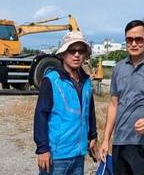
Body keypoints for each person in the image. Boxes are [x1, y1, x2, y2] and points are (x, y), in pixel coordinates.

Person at [99, 19, 144, 175]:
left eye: (138, 39)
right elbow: (113, 105)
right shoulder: (118, 68)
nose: (133, 44)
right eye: (129, 40)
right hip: (120, 143)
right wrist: (106, 140)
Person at [34, 31, 98, 175]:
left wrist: (93, 136)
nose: (76, 55)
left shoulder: (86, 81)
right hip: (56, 155)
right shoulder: (51, 80)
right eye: (72, 50)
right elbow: (40, 115)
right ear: (63, 53)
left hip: (79, 154)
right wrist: (43, 149)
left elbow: (90, 110)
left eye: (80, 51)